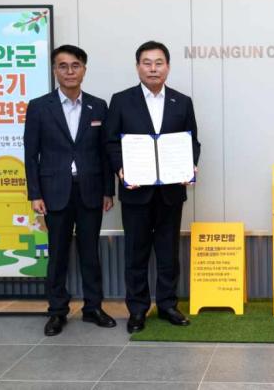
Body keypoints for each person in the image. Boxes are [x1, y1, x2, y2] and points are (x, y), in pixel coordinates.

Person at [105, 40, 201, 333]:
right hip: (136, 191)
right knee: (136, 253)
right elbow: (110, 142)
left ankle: (168, 305)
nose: (153, 68)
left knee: (168, 253)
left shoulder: (181, 102)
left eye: (159, 63)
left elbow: (192, 141)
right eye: (147, 63)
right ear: (138, 67)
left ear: (168, 67)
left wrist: (190, 165)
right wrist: (120, 169)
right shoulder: (121, 100)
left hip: (170, 192)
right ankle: (137, 310)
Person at [24, 44, 116, 336]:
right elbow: (31, 154)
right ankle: (57, 311)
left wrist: (108, 190)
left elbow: (105, 153)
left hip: (90, 190)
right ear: (55, 70)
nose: (69, 71)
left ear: (84, 70)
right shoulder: (39, 106)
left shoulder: (98, 106)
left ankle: (93, 308)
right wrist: (35, 194)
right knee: (58, 254)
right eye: (62, 66)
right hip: (54, 191)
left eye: (75, 65)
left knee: (90, 253)